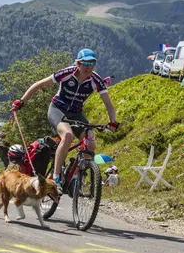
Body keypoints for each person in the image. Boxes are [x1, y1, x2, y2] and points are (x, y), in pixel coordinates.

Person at [12, 48, 118, 195]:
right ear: (78, 64)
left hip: (76, 113)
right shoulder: (66, 73)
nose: (89, 66)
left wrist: (113, 121)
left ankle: (75, 178)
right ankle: (55, 178)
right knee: (67, 135)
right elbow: (39, 84)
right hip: (57, 109)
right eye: (86, 63)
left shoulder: (96, 80)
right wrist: (21, 101)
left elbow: (108, 104)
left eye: (92, 63)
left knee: (91, 143)